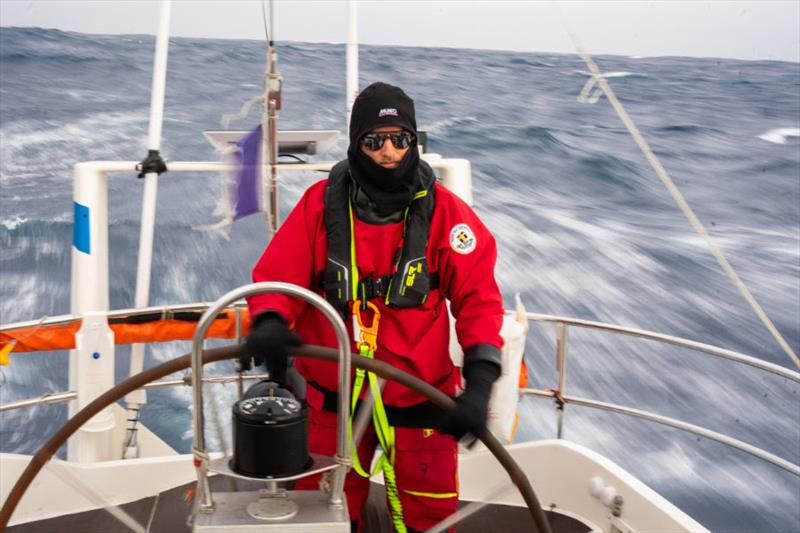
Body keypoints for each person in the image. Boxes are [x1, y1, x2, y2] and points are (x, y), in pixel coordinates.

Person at [244, 82, 503, 532]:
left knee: (431, 518)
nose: (388, 151)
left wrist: (480, 382)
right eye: (374, 140)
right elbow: (277, 279)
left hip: (421, 399)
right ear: (355, 143)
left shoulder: (449, 215)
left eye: (400, 139)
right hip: (333, 401)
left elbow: (479, 300)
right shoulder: (316, 208)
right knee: (323, 514)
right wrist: (268, 320)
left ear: (414, 142)